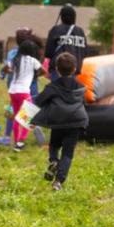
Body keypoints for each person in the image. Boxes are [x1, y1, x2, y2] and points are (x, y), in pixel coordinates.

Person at [31, 52, 89, 191]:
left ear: (57, 68)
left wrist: (26, 117)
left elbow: (39, 101)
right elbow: (84, 102)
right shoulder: (81, 86)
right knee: (68, 153)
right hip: (76, 122)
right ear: (75, 68)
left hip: (58, 121)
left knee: (54, 145)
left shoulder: (52, 86)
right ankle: (58, 182)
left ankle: (53, 161)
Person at [4, 39, 44, 151]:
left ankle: (16, 142)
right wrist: (35, 75)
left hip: (13, 91)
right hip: (24, 92)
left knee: (17, 117)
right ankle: (21, 142)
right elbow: (44, 71)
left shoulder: (15, 59)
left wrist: (9, 70)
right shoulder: (33, 61)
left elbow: (6, 68)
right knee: (29, 117)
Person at [44, 3, 87, 80]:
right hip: (75, 71)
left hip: (58, 72)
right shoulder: (80, 31)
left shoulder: (56, 30)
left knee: (57, 91)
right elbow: (85, 52)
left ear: (62, 16)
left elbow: (48, 53)